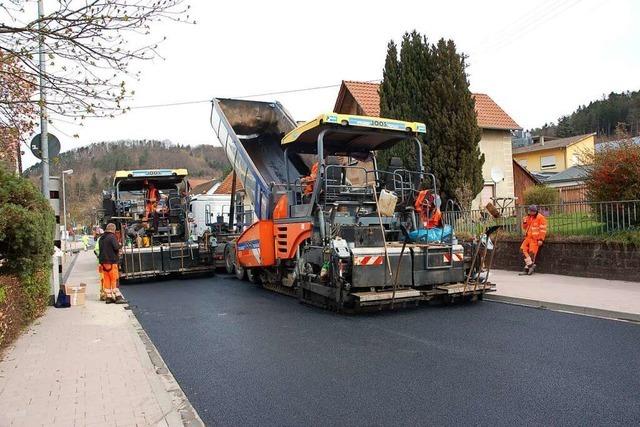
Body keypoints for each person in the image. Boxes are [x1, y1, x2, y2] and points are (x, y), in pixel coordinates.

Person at [98, 223, 127, 304]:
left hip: (103, 263)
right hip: (111, 261)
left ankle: (109, 297)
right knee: (114, 279)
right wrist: (120, 245)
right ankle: (118, 297)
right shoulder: (112, 237)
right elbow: (116, 247)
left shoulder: (101, 238)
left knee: (107, 280)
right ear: (113, 230)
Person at [521, 204, 547, 274]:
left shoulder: (541, 218)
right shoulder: (528, 217)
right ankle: (531, 266)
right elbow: (525, 227)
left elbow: (543, 230)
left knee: (532, 254)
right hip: (528, 237)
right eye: (529, 211)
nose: (530, 212)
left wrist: (541, 239)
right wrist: (524, 222)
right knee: (522, 250)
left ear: (535, 211)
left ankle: (527, 270)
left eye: (532, 211)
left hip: (535, 239)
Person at [93, 227, 107, 301]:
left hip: (101, 262)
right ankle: (104, 293)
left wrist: (100, 256)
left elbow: (95, 251)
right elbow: (96, 251)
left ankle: (103, 293)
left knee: (102, 278)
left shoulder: (99, 240)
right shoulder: (102, 239)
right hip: (104, 262)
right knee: (104, 278)